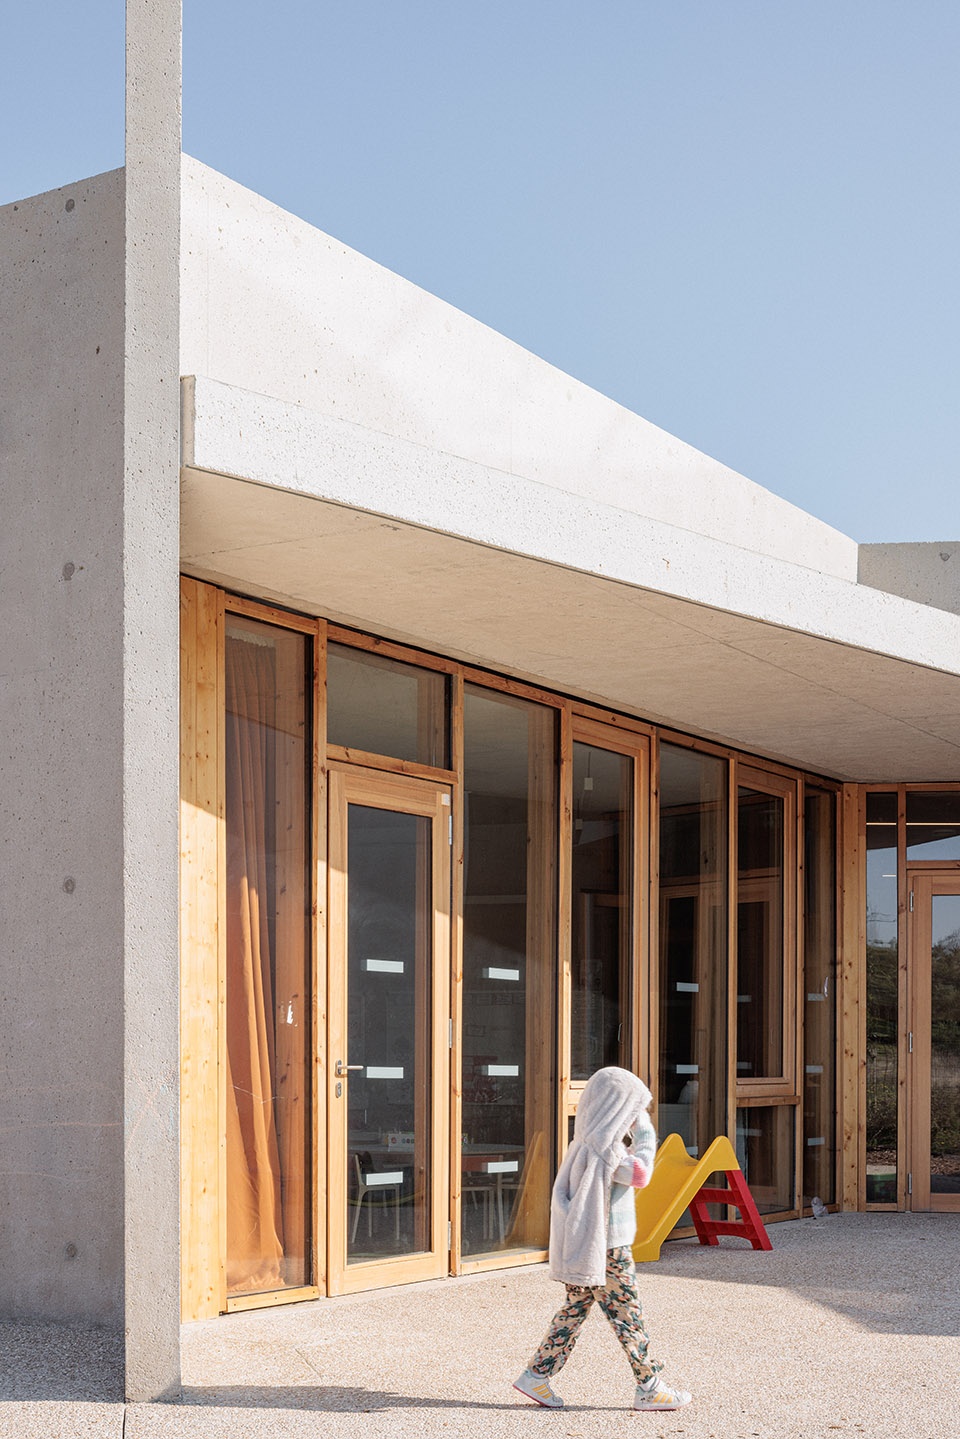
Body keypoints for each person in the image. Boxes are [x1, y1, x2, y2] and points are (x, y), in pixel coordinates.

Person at [513, 1066, 691, 1412]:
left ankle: (536, 1375)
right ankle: (650, 1387)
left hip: (587, 1245)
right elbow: (642, 1174)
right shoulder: (608, 1153)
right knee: (629, 1315)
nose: (634, 1116)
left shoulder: (581, 1145)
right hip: (607, 1247)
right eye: (631, 1108)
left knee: (574, 1309)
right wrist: (644, 1128)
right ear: (617, 1110)